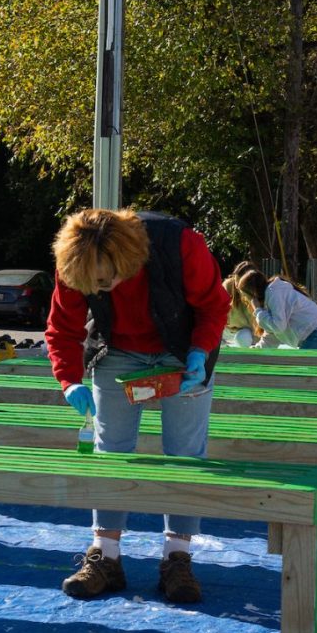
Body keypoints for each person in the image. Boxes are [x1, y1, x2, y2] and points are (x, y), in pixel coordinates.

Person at [45, 207, 228, 604]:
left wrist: (199, 352)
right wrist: (70, 380)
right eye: (89, 283)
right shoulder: (75, 263)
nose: (97, 287)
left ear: (124, 258)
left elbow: (214, 304)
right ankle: (105, 557)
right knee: (111, 452)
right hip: (117, 353)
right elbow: (62, 328)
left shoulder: (179, 244)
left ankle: (177, 558)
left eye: (103, 279)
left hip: (181, 351)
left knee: (184, 455)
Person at [236, 269, 317, 350]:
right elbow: (272, 335)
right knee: (303, 370)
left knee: (302, 370)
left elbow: (278, 327)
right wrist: (257, 349)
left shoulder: (274, 293)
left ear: (252, 294)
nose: (246, 300)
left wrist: (257, 310)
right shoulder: (271, 297)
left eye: (245, 296)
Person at [221, 267, 260, 348]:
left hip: (243, 331)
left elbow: (255, 320)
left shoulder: (251, 292)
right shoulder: (227, 286)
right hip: (225, 330)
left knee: (243, 339)